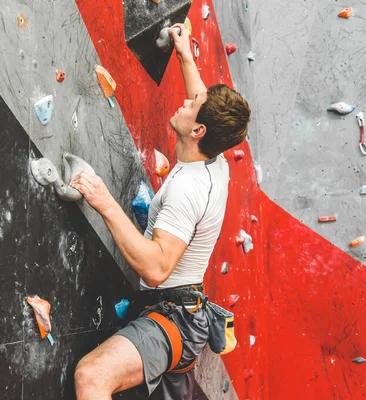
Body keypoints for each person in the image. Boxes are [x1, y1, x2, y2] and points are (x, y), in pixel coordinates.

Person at [71, 23, 251, 400]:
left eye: (191, 106)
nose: (186, 101)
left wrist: (104, 201)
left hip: (175, 319)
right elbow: (201, 97)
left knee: (93, 376)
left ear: (199, 130)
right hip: (181, 310)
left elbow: (156, 269)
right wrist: (185, 54)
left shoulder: (187, 189)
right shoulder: (214, 159)